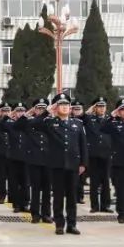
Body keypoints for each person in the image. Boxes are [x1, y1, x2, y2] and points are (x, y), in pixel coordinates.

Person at [22, 92, 85, 235]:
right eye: (60, 105)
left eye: (66, 105)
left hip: (73, 165)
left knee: (72, 196)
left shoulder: (78, 124)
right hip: (56, 165)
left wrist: (83, 163)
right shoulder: (49, 123)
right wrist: (46, 113)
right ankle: (59, 224)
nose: (64, 107)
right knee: (57, 196)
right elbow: (30, 124)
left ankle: (72, 224)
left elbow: (82, 145)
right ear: (55, 108)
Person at [81, 97, 112, 214]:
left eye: (103, 106)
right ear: (95, 108)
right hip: (93, 154)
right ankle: (94, 206)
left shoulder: (110, 119)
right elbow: (80, 119)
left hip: (107, 154)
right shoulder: (89, 119)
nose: (102, 109)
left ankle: (106, 205)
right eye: (99, 106)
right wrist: (89, 111)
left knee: (105, 181)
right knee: (94, 181)